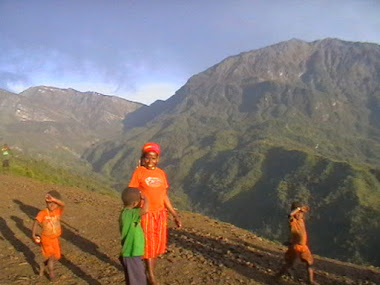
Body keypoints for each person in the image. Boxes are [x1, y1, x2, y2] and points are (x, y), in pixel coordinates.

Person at [128, 142, 182, 285]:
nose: (150, 161)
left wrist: (174, 214)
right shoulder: (139, 172)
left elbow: (164, 195)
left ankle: (148, 271)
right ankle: (151, 277)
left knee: (157, 246)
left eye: (153, 158)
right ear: (142, 158)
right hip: (147, 214)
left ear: (158, 159)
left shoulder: (161, 173)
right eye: (147, 158)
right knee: (149, 246)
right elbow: (132, 192)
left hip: (160, 214)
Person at [276, 201, 317, 284]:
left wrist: (302, 209)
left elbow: (306, 209)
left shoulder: (301, 220)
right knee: (289, 264)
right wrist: (298, 209)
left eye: (301, 213)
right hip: (295, 247)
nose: (299, 214)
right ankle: (277, 276)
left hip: (304, 246)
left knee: (309, 263)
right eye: (298, 213)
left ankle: (310, 280)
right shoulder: (292, 220)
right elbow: (290, 215)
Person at [32, 190, 65, 281]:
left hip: (55, 238)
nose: (52, 205)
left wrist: (54, 199)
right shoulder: (42, 213)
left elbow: (63, 205)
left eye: (54, 203)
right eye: (50, 203)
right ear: (46, 203)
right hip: (46, 238)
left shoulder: (58, 212)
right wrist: (34, 235)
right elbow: (36, 223)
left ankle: (43, 265)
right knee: (51, 257)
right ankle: (51, 274)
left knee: (57, 256)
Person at [119, 187, 149, 285]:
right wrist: (146, 199)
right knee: (138, 279)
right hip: (131, 253)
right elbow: (145, 210)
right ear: (135, 203)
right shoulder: (131, 214)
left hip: (130, 253)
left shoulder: (125, 214)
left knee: (133, 279)